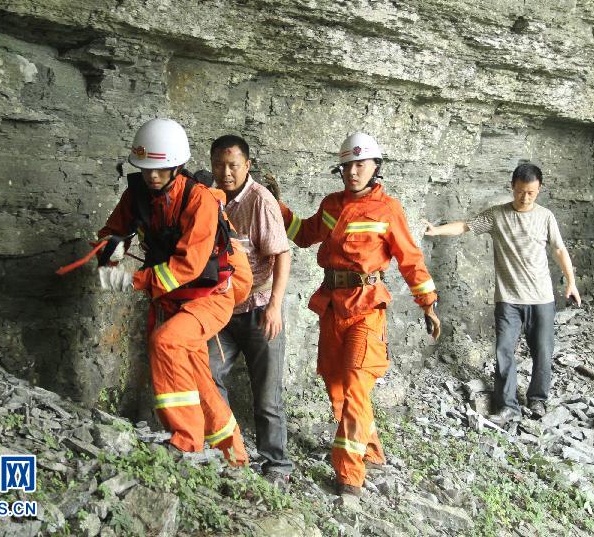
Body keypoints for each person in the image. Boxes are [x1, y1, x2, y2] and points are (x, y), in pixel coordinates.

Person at [275, 132, 441, 498]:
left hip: (366, 307)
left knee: (354, 384)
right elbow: (304, 235)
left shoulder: (388, 209)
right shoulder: (332, 204)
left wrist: (427, 303)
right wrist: (278, 207)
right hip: (332, 305)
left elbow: (410, 259)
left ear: (375, 167)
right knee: (335, 382)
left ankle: (350, 476)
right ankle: (370, 448)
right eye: (347, 165)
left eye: (360, 164)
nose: (353, 171)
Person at [96, 118, 252, 465]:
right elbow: (112, 230)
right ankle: (235, 457)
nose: (152, 176)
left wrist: (132, 280)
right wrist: (110, 248)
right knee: (199, 377)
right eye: (147, 168)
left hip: (211, 297)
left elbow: (189, 266)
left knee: (166, 341)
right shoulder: (137, 195)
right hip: (176, 300)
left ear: (177, 165)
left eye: (161, 169)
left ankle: (186, 440)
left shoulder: (200, 201)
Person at [424, 163, 579, 426]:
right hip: (508, 300)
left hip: (541, 299)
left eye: (531, 192)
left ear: (539, 189)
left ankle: (537, 399)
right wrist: (435, 230)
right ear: (512, 187)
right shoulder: (497, 215)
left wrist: (571, 283)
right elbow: (465, 226)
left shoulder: (546, 217)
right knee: (504, 352)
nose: (525, 197)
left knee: (542, 351)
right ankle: (508, 406)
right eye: (520, 191)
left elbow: (560, 250)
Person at [207, 134, 294, 485]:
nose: (225, 172)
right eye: (219, 165)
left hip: (259, 311)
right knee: (209, 375)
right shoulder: (210, 199)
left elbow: (282, 254)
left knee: (267, 396)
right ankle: (230, 452)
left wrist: (275, 306)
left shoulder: (260, 201)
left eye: (233, 165)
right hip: (223, 311)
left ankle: (277, 466)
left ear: (247, 166)